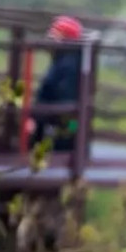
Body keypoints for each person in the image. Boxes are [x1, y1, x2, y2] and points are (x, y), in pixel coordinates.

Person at [25, 15, 85, 153]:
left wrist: (39, 117)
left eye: (55, 35)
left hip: (64, 117)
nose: (51, 39)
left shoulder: (68, 64)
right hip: (59, 116)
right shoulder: (63, 61)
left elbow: (61, 94)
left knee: (67, 140)